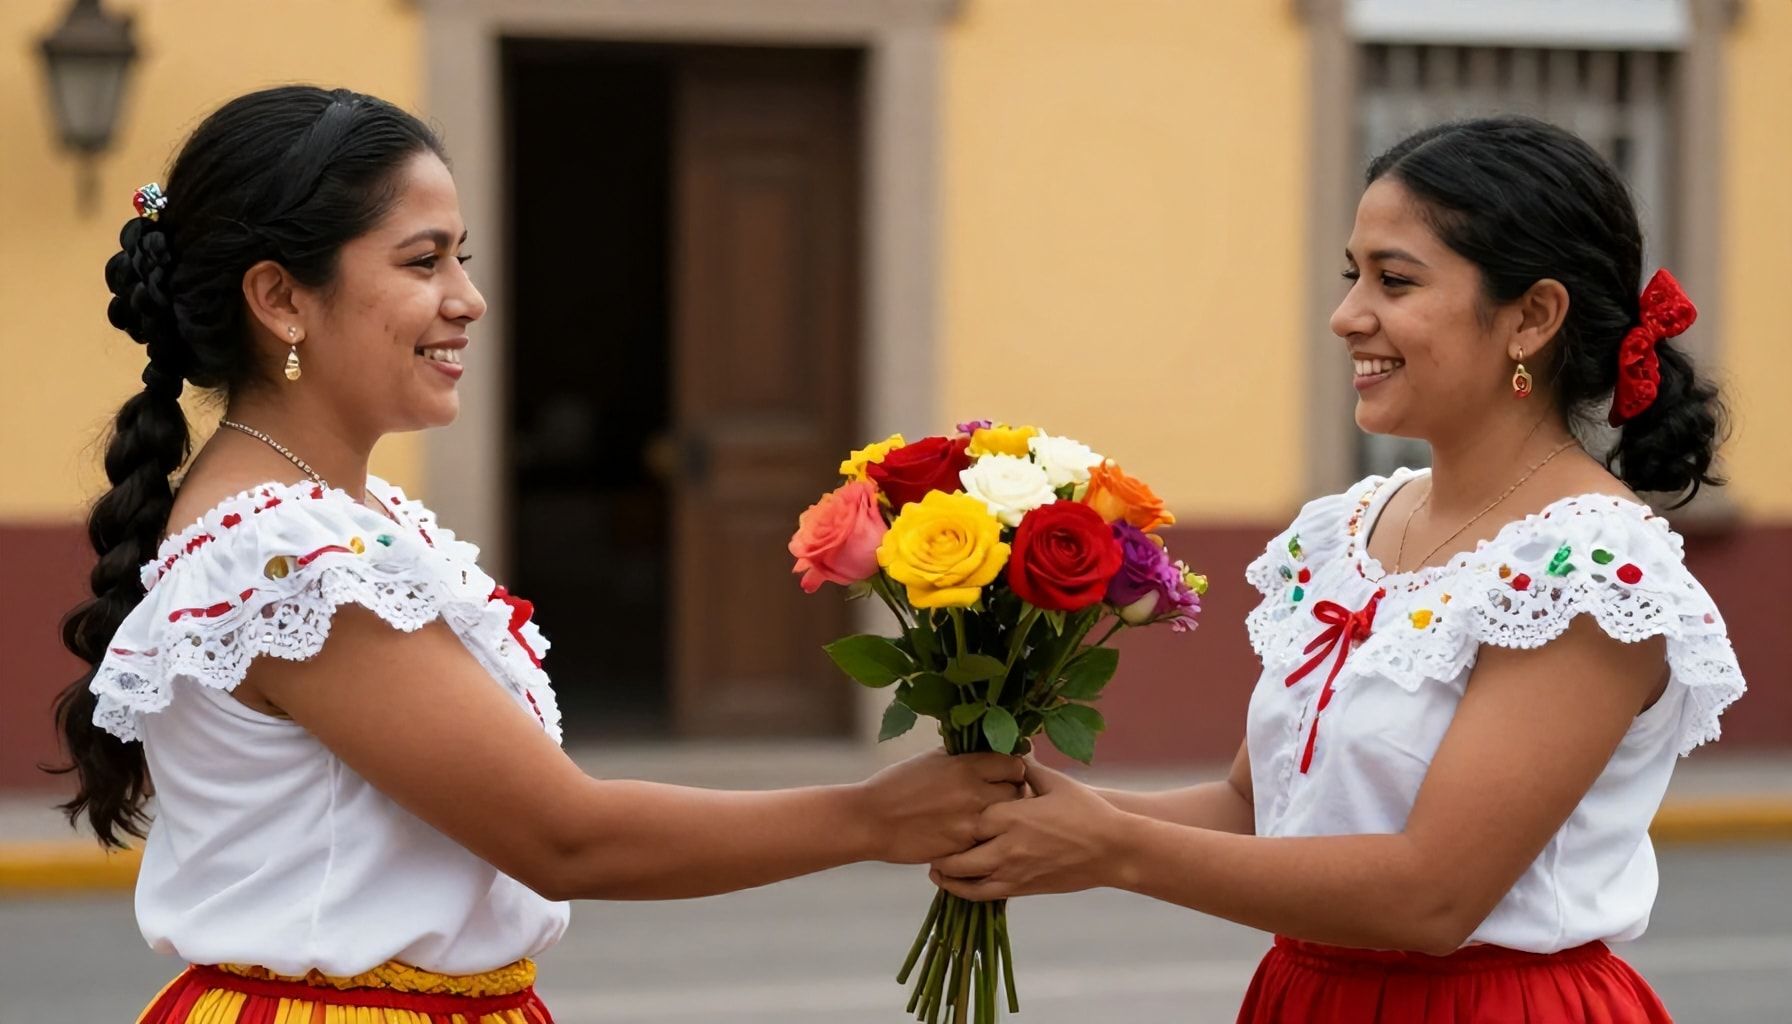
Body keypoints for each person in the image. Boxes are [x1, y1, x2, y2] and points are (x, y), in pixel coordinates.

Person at [52, 85, 1022, 1024]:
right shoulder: (291, 558)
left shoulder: (329, 516)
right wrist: (868, 819)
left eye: (460, 258)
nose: (467, 299)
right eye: (423, 261)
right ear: (280, 297)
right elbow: (566, 837)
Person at [929, 117, 1746, 1022]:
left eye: (1394, 280)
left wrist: (1111, 851)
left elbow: (1431, 898)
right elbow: (1255, 808)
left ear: (1533, 317)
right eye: (1352, 274)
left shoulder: (1590, 567)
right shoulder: (1355, 525)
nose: (1347, 314)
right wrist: (1039, 809)